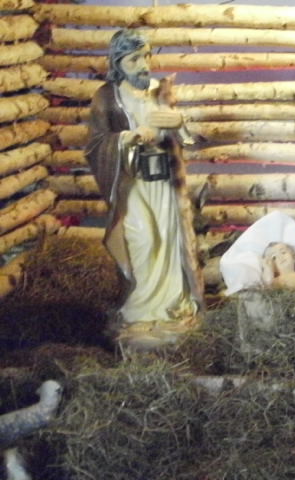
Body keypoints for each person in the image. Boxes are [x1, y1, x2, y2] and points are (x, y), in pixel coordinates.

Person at [84, 29, 204, 347]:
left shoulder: (159, 92)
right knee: (142, 238)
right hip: (132, 183)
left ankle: (170, 307)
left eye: (146, 56)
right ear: (118, 63)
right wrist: (130, 137)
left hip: (164, 182)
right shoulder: (106, 97)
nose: (144, 65)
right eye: (134, 59)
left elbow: (191, 139)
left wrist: (179, 124)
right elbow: (95, 145)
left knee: (167, 240)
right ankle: (138, 308)